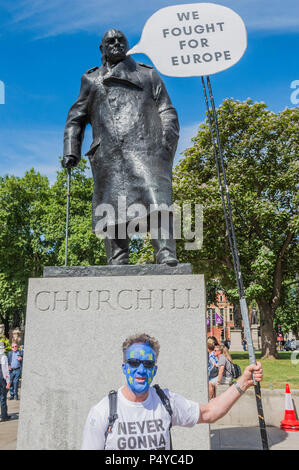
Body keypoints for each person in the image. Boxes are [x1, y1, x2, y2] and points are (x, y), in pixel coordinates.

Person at [62, 29, 179, 266]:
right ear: (102, 49)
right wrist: (71, 151)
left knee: (158, 200)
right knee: (113, 207)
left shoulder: (148, 75)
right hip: (109, 154)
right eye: (110, 41)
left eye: (121, 40)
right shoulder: (91, 80)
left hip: (148, 149)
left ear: (127, 45)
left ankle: (165, 252)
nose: (116, 43)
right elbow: (76, 118)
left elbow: (167, 110)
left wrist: (166, 143)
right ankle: (117, 258)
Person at [81, 333, 263, 450]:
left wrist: (243, 383)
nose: (141, 370)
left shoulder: (165, 401)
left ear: (154, 370)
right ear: (124, 367)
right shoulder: (103, 412)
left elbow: (209, 413)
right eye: (134, 363)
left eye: (148, 364)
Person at [0, 342, 11, 422]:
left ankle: (4, 415)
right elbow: (5, 371)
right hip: (2, 379)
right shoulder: (4, 357)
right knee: (3, 398)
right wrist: (8, 381)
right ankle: (4, 416)